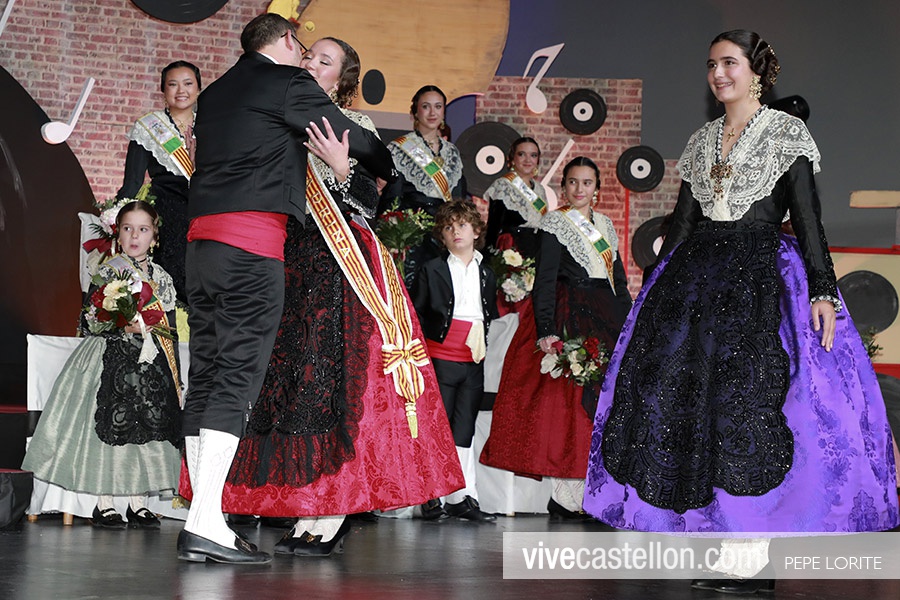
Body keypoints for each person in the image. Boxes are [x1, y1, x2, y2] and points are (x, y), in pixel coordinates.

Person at [584, 30, 899, 594]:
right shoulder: (702, 139)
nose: (718, 74)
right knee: (698, 413)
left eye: (729, 63)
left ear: (757, 71)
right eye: (711, 64)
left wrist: (823, 291)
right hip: (699, 282)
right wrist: (654, 289)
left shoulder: (786, 133)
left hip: (760, 282)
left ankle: (755, 556)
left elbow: (807, 219)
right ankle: (726, 544)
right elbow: (683, 223)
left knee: (751, 409)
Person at [203, 36, 464, 556]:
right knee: (291, 389)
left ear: (342, 80)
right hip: (284, 257)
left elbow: (373, 198)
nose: (310, 63)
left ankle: (334, 509)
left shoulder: (354, 126)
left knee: (333, 383)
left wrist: (343, 169)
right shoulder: (279, 114)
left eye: (323, 61)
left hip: (339, 263)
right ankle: (304, 503)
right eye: (307, 55)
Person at [179, 14, 394, 564]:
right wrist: (379, 157)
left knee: (205, 376)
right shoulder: (287, 81)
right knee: (236, 380)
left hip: (201, 247)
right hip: (252, 248)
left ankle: (204, 517)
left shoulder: (216, 91)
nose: (306, 58)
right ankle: (203, 522)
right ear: (285, 42)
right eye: (303, 48)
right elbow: (357, 143)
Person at [480, 157, 631, 520]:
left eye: (587, 183)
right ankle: (567, 494)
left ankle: (594, 491)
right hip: (570, 312)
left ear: (597, 189)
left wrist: (630, 322)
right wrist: (546, 328)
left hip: (606, 311)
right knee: (570, 406)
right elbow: (545, 280)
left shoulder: (606, 226)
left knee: (603, 405)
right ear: (563, 187)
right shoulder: (554, 222)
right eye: (573, 182)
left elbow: (619, 280)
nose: (580, 189)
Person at [23, 201, 181, 530]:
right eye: (127, 229)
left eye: (143, 229)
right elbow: (89, 320)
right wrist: (122, 325)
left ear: (154, 237)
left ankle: (138, 503)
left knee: (146, 433)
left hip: (150, 365)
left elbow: (171, 331)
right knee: (110, 429)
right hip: (110, 360)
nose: (134, 236)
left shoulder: (163, 279)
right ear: (117, 234)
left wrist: (176, 378)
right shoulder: (109, 270)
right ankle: (104, 503)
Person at [411, 200, 500, 521]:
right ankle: (430, 495)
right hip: (440, 358)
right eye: (448, 227)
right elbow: (417, 312)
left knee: (464, 430)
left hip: (473, 361)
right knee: (437, 427)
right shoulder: (432, 269)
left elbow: (486, 314)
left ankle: (462, 497)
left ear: (476, 231)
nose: (455, 232)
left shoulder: (487, 274)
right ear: (442, 236)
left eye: (462, 225)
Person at [117, 61, 201, 308]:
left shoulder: (211, 126)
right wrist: (116, 217)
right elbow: (132, 182)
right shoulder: (148, 127)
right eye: (173, 84)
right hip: (166, 211)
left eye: (188, 84)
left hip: (204, 210)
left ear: (198, 88)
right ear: (163, 90)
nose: (181, 90)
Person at [380, 85, 467, 286]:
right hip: (411, 233)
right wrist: (394, 236)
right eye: (426, 106)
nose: (432, 112)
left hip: (445, 233)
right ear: (415, 112)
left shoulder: (452, 152)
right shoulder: (400, 148)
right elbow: (392, 197)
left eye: (438, 106)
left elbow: (458, 198)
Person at [483, 137, 547, 260]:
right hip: (510, 253)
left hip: (536, 252)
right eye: (521, 154)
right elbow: (493, 226)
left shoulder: (540, 189)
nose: (528, 160)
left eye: (533, 155)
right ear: (512, 158)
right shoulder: (503, 185)